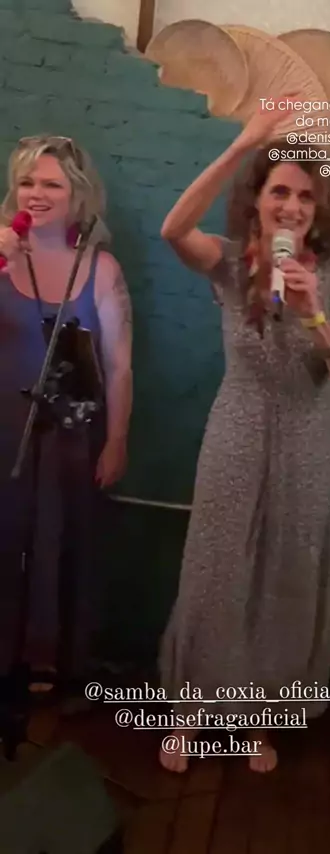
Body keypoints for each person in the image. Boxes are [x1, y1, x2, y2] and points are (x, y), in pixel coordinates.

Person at [158, 99, 330, 773]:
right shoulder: (228, 263)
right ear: (257, 199)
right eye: (280, 190)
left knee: (286, 577)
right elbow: (172, 229)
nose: (293, 205)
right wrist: (241, 145)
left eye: (306, 196)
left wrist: (315, 316)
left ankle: (259, 716)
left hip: (310, 440)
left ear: (319, 207)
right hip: (238, 429)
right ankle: (191, 709)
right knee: (215, 570)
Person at [0, 135, 133, 697]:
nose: (36, 193)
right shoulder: (1, 254)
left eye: (51, 184)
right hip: (5, 427)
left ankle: (48, 657)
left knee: (58, 540)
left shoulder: (101, 270)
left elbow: (119, 365)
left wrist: (117, 439)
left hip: (71, 433)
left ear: (77, 195)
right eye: (27, 182)